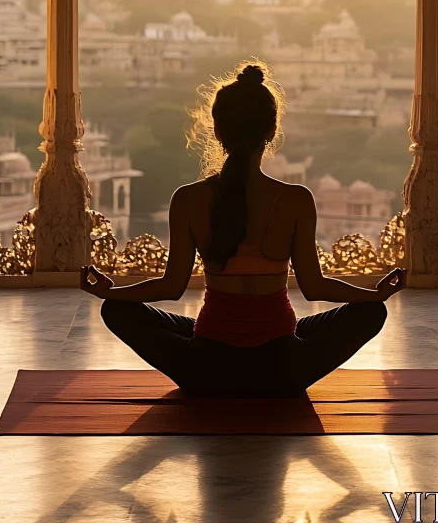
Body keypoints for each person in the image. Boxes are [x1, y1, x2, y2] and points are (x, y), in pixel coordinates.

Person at [81, 61, 406, 397]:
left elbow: (171, 285)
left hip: (205, 366)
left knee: (117, 310)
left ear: (217, 131)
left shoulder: (188, 199)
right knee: (370, 313)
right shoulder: (295, 200)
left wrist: (111, 292)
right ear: (271, 130)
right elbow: (314, 286)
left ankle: (216, 353)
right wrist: (375, 295)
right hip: (283, 368)